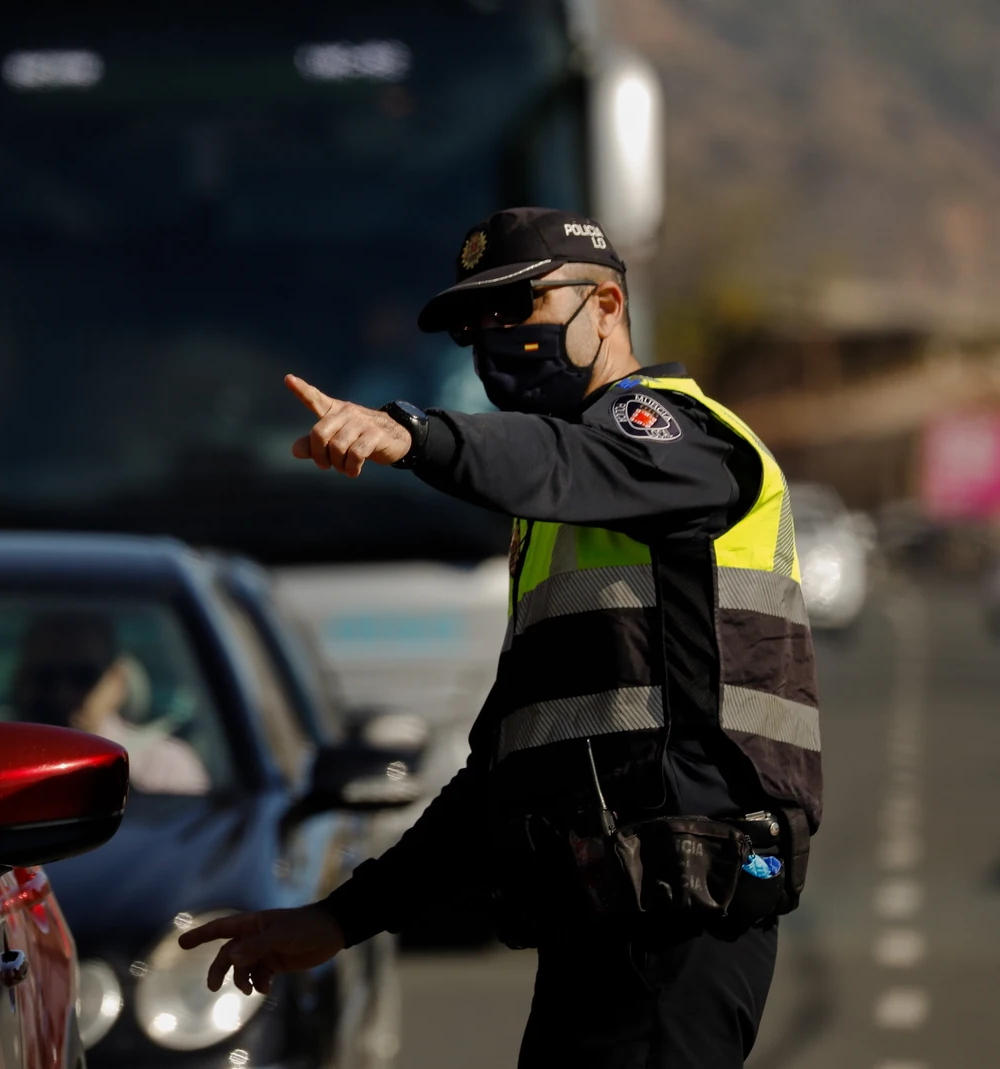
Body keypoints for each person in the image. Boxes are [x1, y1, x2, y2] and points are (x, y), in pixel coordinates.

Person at [180, 208, 820, 1068]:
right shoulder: (555, 524)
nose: (495, 339)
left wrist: (414, 435)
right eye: (477, 325)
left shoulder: (676, 440)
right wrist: (338, 918)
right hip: (597, 927)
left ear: (606, 305)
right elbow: (501, 780)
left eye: (520, 310)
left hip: (681, 918)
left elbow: (560, 460)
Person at [11, 611, 210, 795]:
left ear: (117, 682)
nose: (62, 694)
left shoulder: (165, 767)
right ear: (20, 679)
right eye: (45, 677)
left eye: (84, 677)